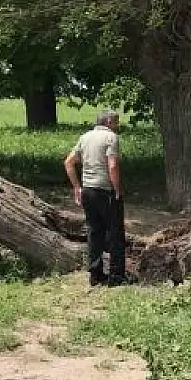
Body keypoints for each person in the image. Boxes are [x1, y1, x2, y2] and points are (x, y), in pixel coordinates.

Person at [64, 110, 130, 286]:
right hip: (105, 190)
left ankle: (95, 273)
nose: (117, 126)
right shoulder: (111, 138)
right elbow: (113, 165)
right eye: (116, 122)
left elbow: (69, 162)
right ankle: (116, 276)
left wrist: (77, 187)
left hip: (88, 190)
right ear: (108, 122)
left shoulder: (85, 137)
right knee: (115, 232)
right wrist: (117, 189)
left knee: (94, 231)